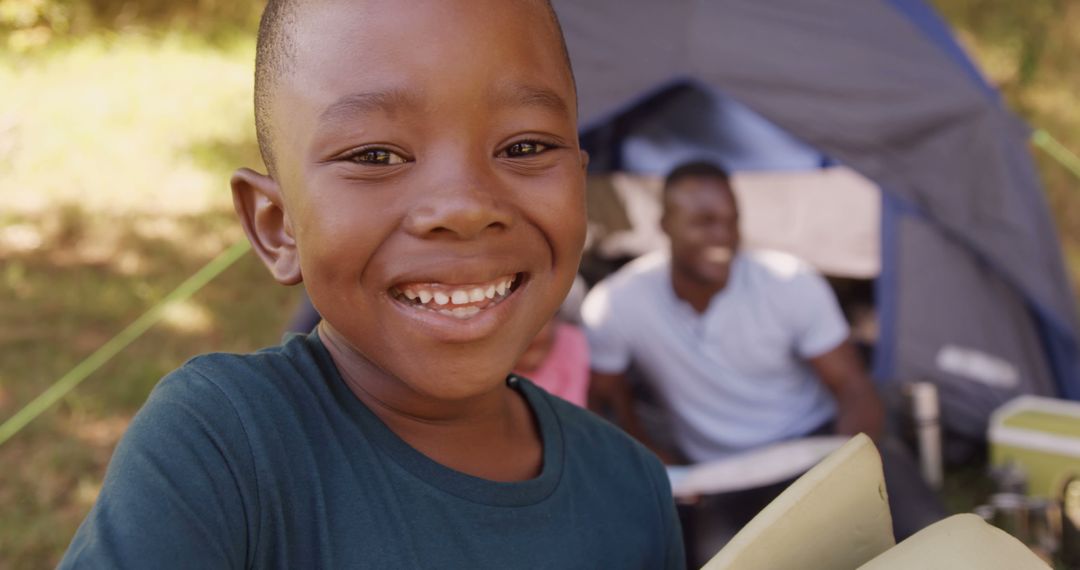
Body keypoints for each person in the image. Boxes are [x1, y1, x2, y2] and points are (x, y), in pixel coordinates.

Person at [59, 1, 684, 567]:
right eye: (376, 156)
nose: (465, 207)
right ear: (278, 228)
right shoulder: (225, 446)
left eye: (524, 146)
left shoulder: (631, 487)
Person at [582, 161, 945, 557]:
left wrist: (847, 468)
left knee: (927, 541)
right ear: (664, 224)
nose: (723, 237)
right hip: (721, 472)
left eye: (731, 221)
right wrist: (658, 464)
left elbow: (853, 387)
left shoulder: (787, 281)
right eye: (704, 221)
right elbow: (606, 405)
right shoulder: (618, 304)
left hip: (816, 444)